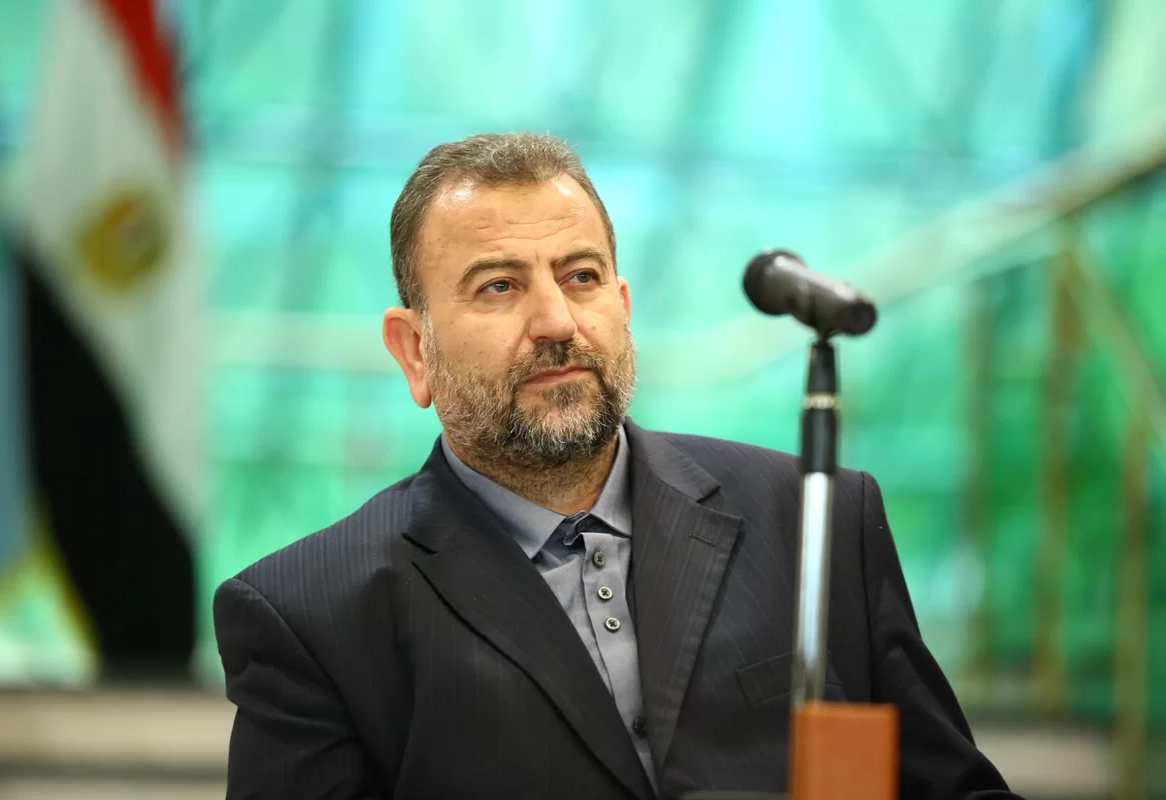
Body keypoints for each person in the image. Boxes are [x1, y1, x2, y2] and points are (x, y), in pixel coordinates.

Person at [213, 133, 1019, 800]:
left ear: (623, 308)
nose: (557, 321)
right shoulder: (311, 615)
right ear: (413, 350)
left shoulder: (816, 518)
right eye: (499, 286)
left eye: (581, 277)